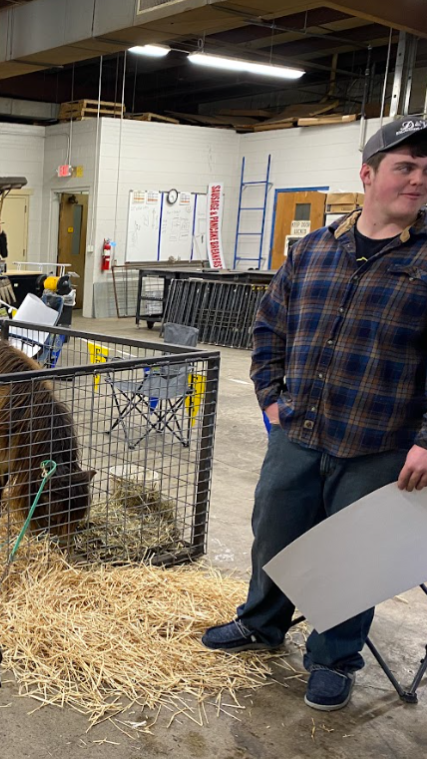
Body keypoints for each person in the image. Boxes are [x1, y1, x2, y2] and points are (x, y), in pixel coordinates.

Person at [201, 118, 427, 712]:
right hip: (297, 430)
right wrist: (271, 397)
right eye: (405, 167)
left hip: (379, 442)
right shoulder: (311, 251)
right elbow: (269, 327)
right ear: (368, 174)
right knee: (273, 531)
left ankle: (333, 657)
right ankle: (261, 623)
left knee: (354, 556)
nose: (418, 179)